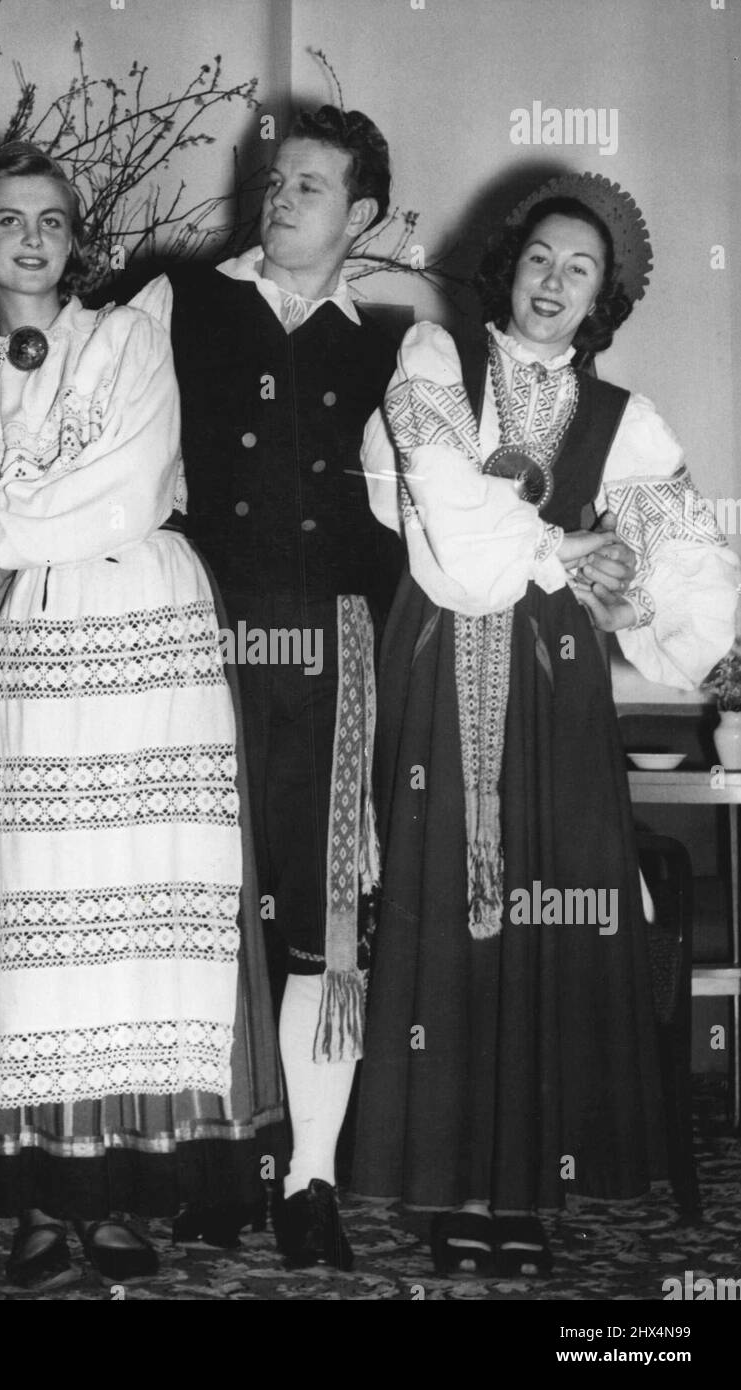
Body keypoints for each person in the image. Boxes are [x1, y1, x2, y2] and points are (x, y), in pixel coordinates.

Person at [0, 142, 285, 1292]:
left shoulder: (129, 337)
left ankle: (133, 1191)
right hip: (42, 650)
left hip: (145, 624)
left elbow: (130, 483)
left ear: (72, 237)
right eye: (6, 220)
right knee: (45, 913)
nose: (31, 237)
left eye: (51, 218)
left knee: (144, 909)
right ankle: (44, 1196)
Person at [354, 172, 740, 1277]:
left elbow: (685, 564)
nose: (554, 283)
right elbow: (444, 509)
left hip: (556, 686)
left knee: (549, 921)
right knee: (440, 911)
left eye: (582, 270)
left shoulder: (627, 422)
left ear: (603, 298)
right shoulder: (433, 364)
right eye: (540, 259)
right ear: (508, 265)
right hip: (436, 672)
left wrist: (697, 636)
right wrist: (565, 549)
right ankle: (445, 1184)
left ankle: (525, 1187)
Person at [129, 105, 404, 1269]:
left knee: (325, 924)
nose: (280, 197)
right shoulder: (171, 303)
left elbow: (426, 511)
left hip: (335, 656)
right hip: (205, 637)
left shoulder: (394, 347)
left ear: (363, 215)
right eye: (274, 180)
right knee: (206, 908)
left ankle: (312, 1177)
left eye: (309, 185)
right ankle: (219, 1160)